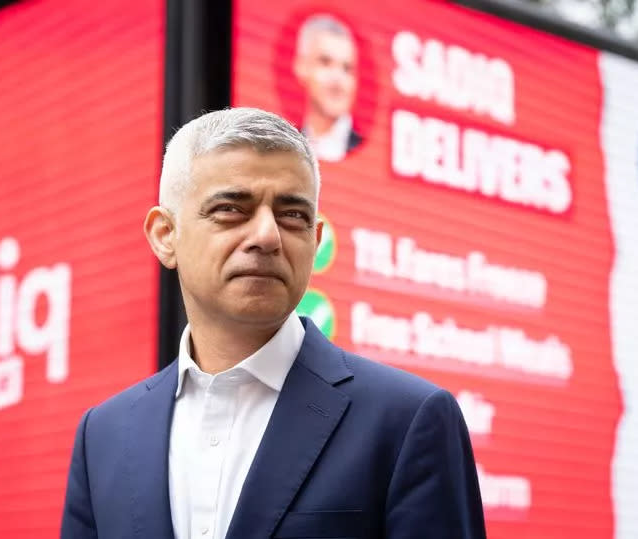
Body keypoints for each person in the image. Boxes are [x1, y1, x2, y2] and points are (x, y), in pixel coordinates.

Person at [60, 108, 486, 539]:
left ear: (315, 241)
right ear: (165, 235)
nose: (267, 236)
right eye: (231, 209)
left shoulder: (407, 420)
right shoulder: (104, 436)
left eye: (293, 216)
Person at [293, 14, 364, 162]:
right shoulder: (287, 148)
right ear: (301, 67)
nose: (338, 79)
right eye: (325, 62)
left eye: (347, 68)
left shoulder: (363, 150)